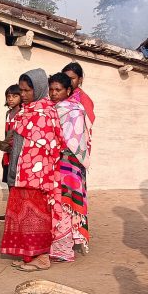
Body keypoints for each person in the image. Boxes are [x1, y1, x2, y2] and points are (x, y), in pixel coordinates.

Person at [0, 71, 71, 270]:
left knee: (36, 216)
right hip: (22, 172)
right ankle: (28, 254)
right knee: (22, 215)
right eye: (21, 90)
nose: (23, 94)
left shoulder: (45, 113)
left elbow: (51, 147)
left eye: (27, 90)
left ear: (38, 89)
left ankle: (42, 257)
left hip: (38, 176)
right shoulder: (26, 111)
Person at [51, 72, 93, 255]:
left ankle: (64, 248)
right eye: (51, 89)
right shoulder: (52, 109)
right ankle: (59, 244)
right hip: (56, 161)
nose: (54, 93)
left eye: (58, 90)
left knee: (66, 204)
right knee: (57, 203)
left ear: (68, 90)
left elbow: (75, 138)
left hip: (70, 162)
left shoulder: (75, 110)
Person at [0, 84, 21, 186]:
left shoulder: (22, 113)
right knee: (9, 180)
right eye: (8, 96)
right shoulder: (8, 113)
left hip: (18, 152)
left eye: (15, 96)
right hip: (8, 152)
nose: (11, 99)